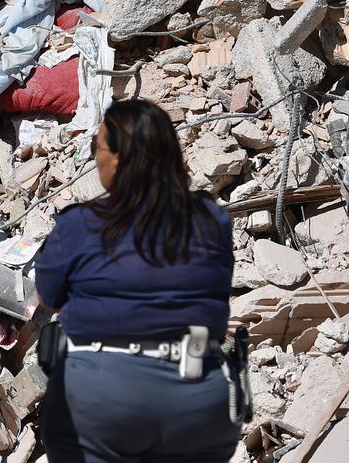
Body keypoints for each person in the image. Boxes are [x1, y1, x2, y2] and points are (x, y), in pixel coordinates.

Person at [35, 99, 239, 463]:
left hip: (100, 401)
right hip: (200, 398)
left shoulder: (79, 224)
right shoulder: (213, 220)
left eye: (98, 147)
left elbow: (48, 295)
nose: (95, 158)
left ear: (118, 158)